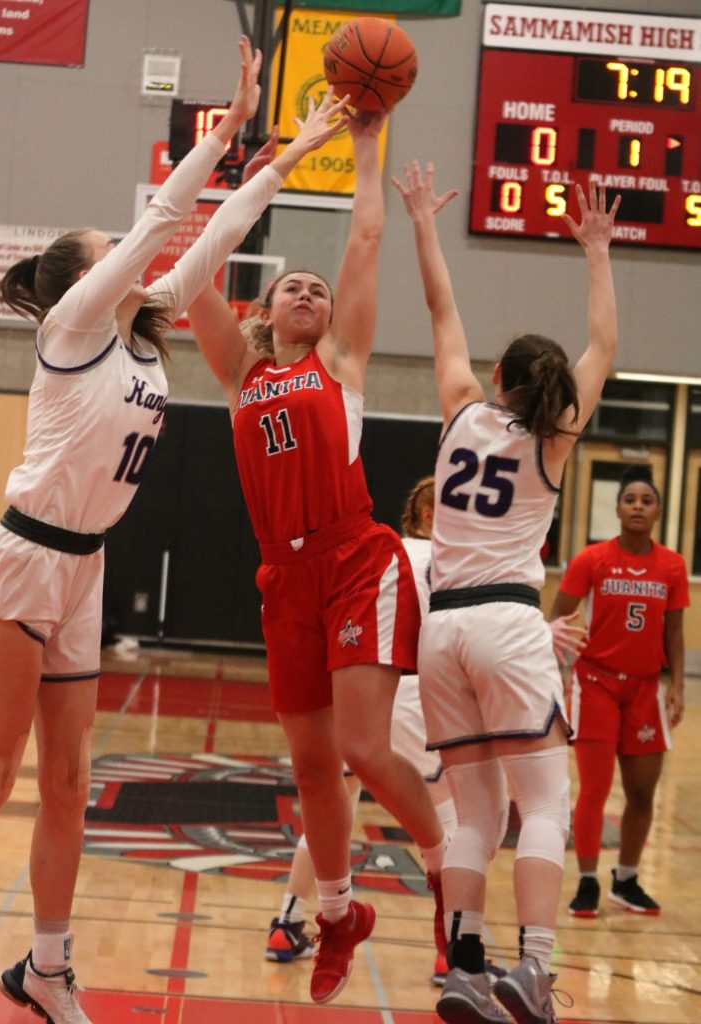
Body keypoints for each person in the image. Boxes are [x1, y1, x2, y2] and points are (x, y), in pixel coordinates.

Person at [0, 40, 349, 1024]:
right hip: (21, 556)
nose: (133, 255)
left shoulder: (142, 327)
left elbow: (216, 235)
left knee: (70, 786)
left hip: (84, 571)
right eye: (111, 246)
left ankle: (46, 966)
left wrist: (287, 151)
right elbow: (169, 220)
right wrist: (214, 138)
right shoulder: (76, 325)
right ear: (86, 271)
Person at [187, 113, 450, 1007]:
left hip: (354, 556)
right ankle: (337, 913)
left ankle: (449, 874)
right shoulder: (241, 377)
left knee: (364, 747)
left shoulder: (341, 362)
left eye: (316, 287)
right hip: (282, 577)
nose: (307, 291)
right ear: (265, 313)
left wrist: (368, 135)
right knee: (309, 765)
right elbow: (190, 280)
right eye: (292, 286)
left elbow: (367, 233)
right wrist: (249, 176)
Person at [393, 161, 620, 1024]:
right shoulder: (555, 440)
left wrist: (422, 220)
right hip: (506, 620)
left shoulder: (459, 408)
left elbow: (440, 311)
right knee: (546, 805)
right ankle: (531, 970)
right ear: (553, 391)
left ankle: (462, 969)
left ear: (497, 377)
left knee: (474, 814)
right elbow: (603, 346)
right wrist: (596, 252)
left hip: (439, 636)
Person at [264, 476, 458, 987]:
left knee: (334, 800)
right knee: (446, 815)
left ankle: (287, 920)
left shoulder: (387, 556)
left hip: (367, 685)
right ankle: (453, 947)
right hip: (416, 691)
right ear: (426, 517)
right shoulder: (454, 562)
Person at [550, 464, 688, 919]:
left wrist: (677, 687)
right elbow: (559, 616)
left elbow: (675, 631)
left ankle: (625, 880)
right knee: (594, 789)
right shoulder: (593, 559)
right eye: (630, 499)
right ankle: (587, 881)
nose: (637, 507)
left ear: (657, 512)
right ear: (617, 507)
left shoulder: (671, 565)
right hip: (596, 685)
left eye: (646, 501)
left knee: (643, 793)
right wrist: (551, 668)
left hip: (646, 689)